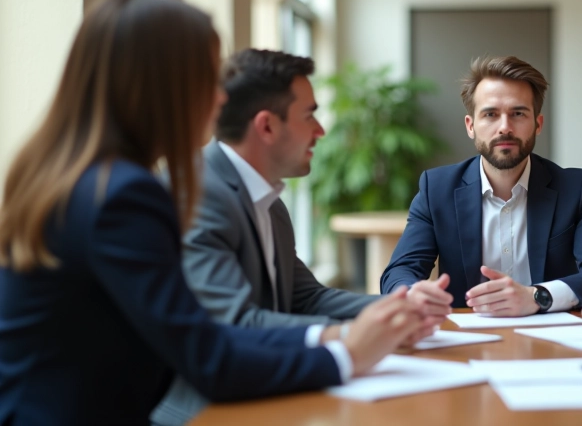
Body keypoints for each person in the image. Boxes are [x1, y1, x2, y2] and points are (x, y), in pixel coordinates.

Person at [0, 0, 424, 426]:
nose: (221, 98)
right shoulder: (124, 196)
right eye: (207, 77)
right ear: (163, 85)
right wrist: (347, 351)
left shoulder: (78, 175)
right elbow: (207, 356)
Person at [152, 49, 448, 425]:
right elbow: (235, 323)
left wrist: (393, 309)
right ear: (266, 126)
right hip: (206, 410)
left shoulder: (267, 200)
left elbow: (305, 297)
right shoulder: (198, 193)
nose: (321, 130)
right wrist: (354, 335)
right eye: (309, 115)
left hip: (264, 388)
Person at [380, 56, 582, 315]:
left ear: (537, 124)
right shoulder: (437, 189)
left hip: (554, 336)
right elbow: (399, 271)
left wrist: (537, 296)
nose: (505, 127)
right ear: (471, 125)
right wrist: (412, 292)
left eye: (518, 113)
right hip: (465, 340)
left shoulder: (575, 188)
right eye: (490, 114)